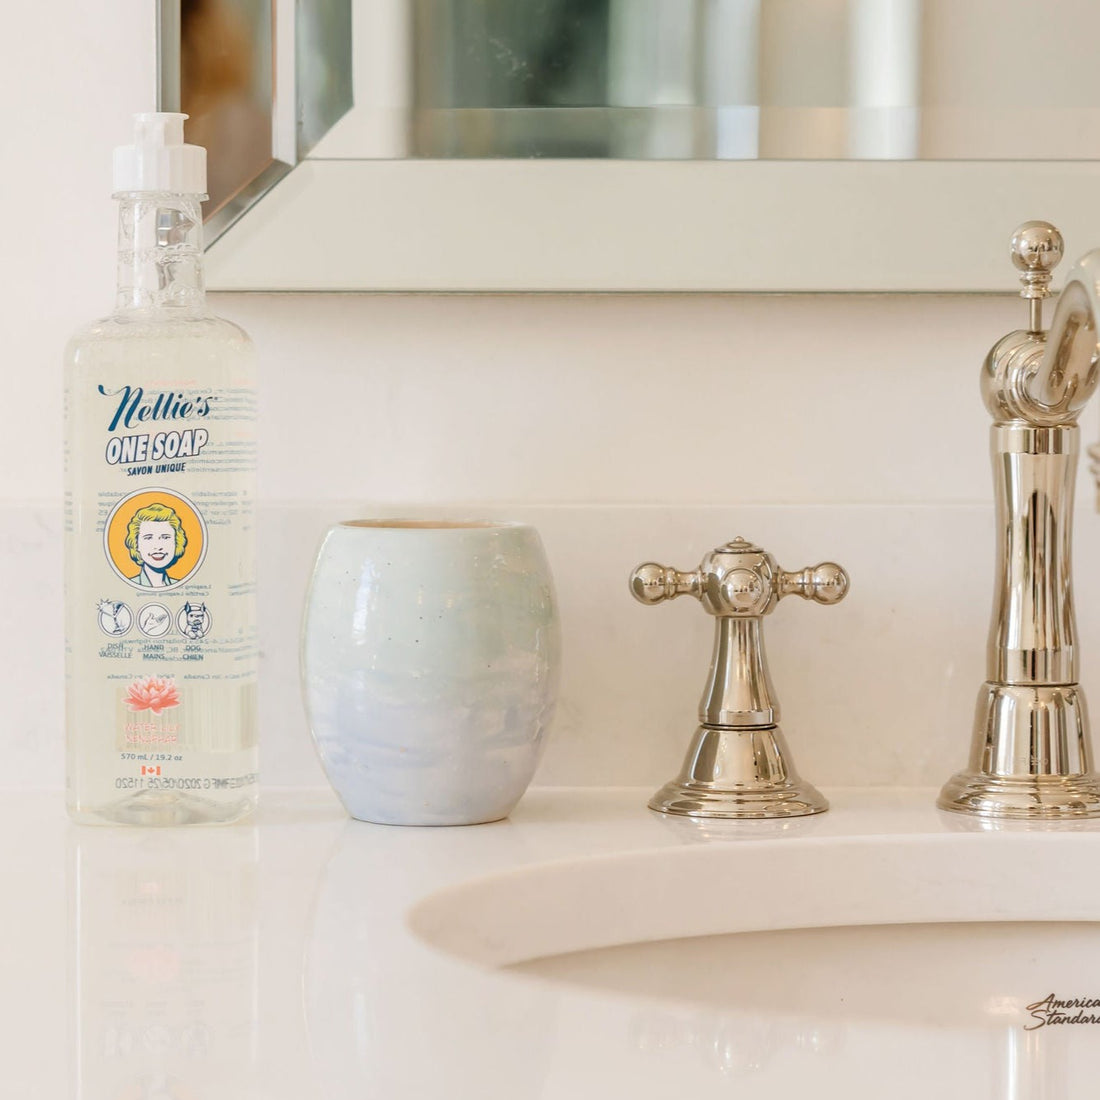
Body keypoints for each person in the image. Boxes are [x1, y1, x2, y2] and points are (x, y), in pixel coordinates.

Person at [125, 503, 188, 587]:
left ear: (176, 542)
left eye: (165, 537)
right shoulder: (128, 585)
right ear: (136, 544)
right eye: (148, 538)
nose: (158, 547)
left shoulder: (181, 585)